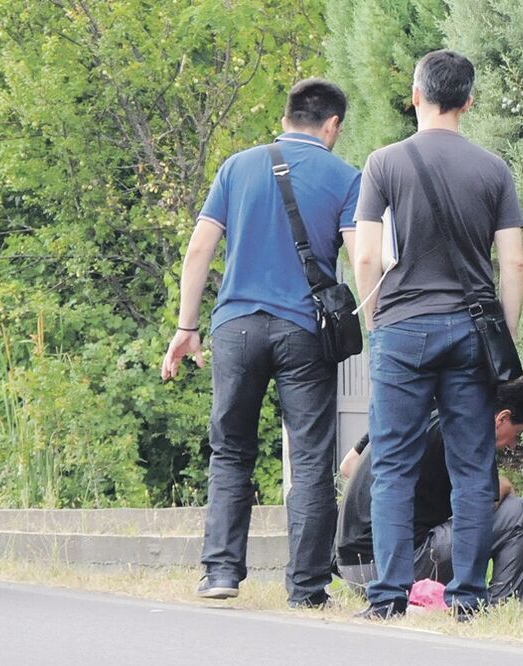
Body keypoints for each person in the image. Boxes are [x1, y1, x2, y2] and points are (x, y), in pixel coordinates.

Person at [161, 79, 360, 608]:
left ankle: (221, 572)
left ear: (286, 114)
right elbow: (363, 259)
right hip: (303, 331)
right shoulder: (345, 177)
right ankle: (307, 587)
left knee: (230, 450)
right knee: (313, 457)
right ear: (332, 124)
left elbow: (200, 247)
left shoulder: (237, 166)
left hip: (236, 327)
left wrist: (186, 328)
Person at [352, 50, 523, 618]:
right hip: (472, 332)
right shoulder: (494, 169)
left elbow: (367, 259)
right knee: (473, 469)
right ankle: (468, 598)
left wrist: (378, 321)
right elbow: (514, 266)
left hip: (402, 327)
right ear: (469, 101)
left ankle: (387, 598)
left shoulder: (384, 163)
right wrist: (503, 339)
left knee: (394, 464)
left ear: (416, 94)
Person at [336, 376, 523, 607]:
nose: (514, 445)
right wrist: (504, 486)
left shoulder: (421, 408)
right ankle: (506, 606)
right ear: (502, 418)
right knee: (521, 513)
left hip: (354, 567)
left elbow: (348, 466)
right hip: (395, 568)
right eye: (518, 433)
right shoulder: (469, 432)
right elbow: (481, 506)